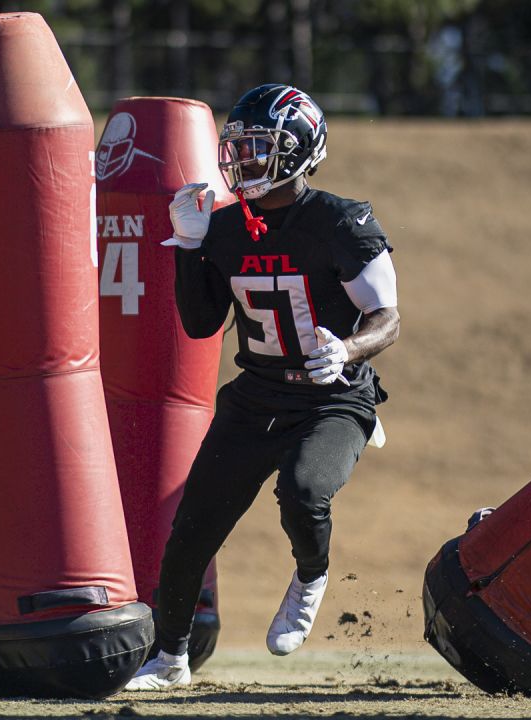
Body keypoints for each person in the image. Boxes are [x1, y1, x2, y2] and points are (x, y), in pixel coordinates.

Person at [125, 84, 399, 690]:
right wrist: (190, 248)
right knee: (192, 530)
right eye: (238, 148)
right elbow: (200, 324)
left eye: (258, 148)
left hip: (331, 394)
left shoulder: (340, 221)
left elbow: (388, 318)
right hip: (257, 396)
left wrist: (346, 348)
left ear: (300, 149)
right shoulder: (224, 228)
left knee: (302, 492)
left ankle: (310, 575)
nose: (242, 161)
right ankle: (170, 659)